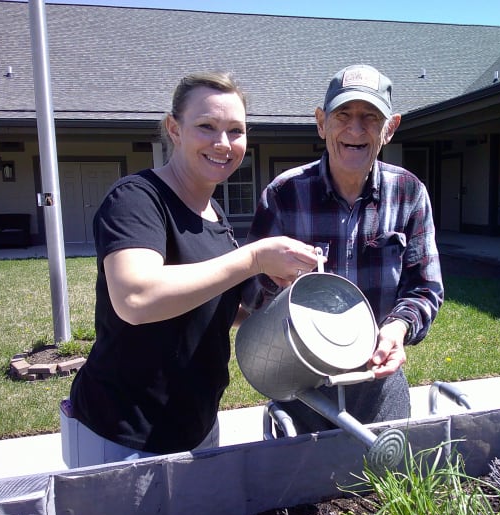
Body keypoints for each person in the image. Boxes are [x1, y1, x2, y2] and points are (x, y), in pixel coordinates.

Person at [67, 72, 319, 465]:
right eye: (206, 127)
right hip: (123, 432)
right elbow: (137, 297)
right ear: (174, 129)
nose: (223, 143)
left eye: (236, 130)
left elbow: (215, 304)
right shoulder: (137, 199)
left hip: (196, 424)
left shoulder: (213, 213)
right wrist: (252, 258)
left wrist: (274, 303)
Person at [243, 64, 444, 433]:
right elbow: (251, 296)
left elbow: (425, 288)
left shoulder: (409, 193)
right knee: (305, 489)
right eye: (343, 115)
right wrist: (275, 281)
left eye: (370, 117)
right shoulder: (284, 194)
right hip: (301, 382)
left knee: (389, 486)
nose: (355, 129)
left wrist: (398, 328)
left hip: (379, 382)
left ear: (390, 128)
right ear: (321, 123)